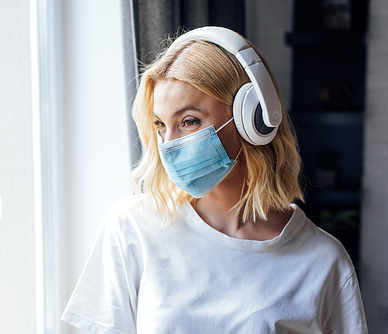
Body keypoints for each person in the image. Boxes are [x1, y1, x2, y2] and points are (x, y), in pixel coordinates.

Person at [61, 26, 367, 333]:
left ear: (253, 120)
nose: (169, 143)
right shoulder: (131, 227)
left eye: (189, 121)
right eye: (160, 125)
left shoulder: (324, 261)